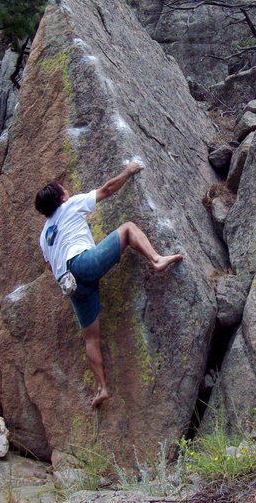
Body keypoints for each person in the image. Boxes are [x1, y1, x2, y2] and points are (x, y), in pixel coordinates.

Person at [34, 161, 183, 408]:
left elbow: (51, 267)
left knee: (91, 338)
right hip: (82, 263)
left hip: (70, 285)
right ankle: (156, 259)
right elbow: (107, 189)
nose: (67, 191)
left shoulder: (44, 237)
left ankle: (102, 389)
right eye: (64, 189)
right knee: (127, 229)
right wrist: (129, 171)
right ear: (61, 197)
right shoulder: (70, 206)